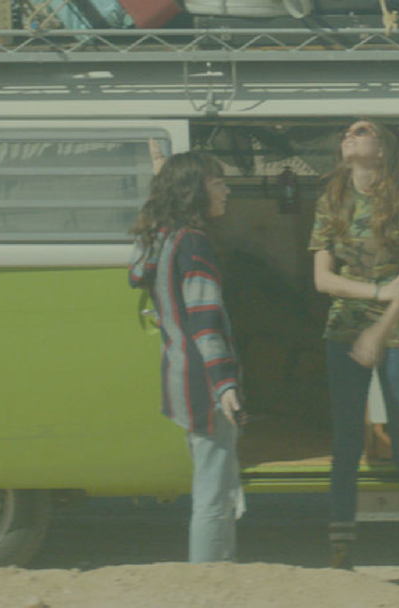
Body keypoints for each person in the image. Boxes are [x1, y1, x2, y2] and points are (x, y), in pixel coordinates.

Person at [309, 120, 399, 587]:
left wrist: (377, 333)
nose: (350, 133)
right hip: (344, 328)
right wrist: (375, 293)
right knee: (345, 443)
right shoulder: (332, 201)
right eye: (346, 130)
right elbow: (322, 280)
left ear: (382, 149)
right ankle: (341, 554)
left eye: (362, 130)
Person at [128, 149, 245, 563]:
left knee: (210, 482)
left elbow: (136, 271)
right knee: (214, 496)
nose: (226, 191)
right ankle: (210, 582)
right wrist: (226, 384)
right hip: (204, 383)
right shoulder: (194, 244)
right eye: (217, 183)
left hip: (178, 377)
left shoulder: (161, 239)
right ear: (194, 191)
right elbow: (205, 320)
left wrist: (162, 181)